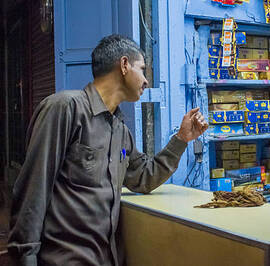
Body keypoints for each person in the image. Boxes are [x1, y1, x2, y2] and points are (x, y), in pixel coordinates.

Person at [8, 34, 208, 266]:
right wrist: (25, 257)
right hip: (64, 259)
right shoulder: (65, 108)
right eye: (142, 70)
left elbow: (143, 177)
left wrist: (182, 139)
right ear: (124, 65)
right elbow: (33, 190)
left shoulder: (120, 131)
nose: (146, 81)